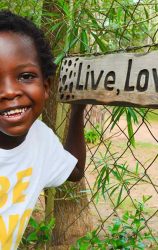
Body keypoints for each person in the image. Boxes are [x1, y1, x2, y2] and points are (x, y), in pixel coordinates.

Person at [0, 10, 86, 249]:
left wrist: (77, 111)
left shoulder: (41, 138)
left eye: (26, 76)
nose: (9, 92)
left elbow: (75, 170)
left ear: (46, 86)